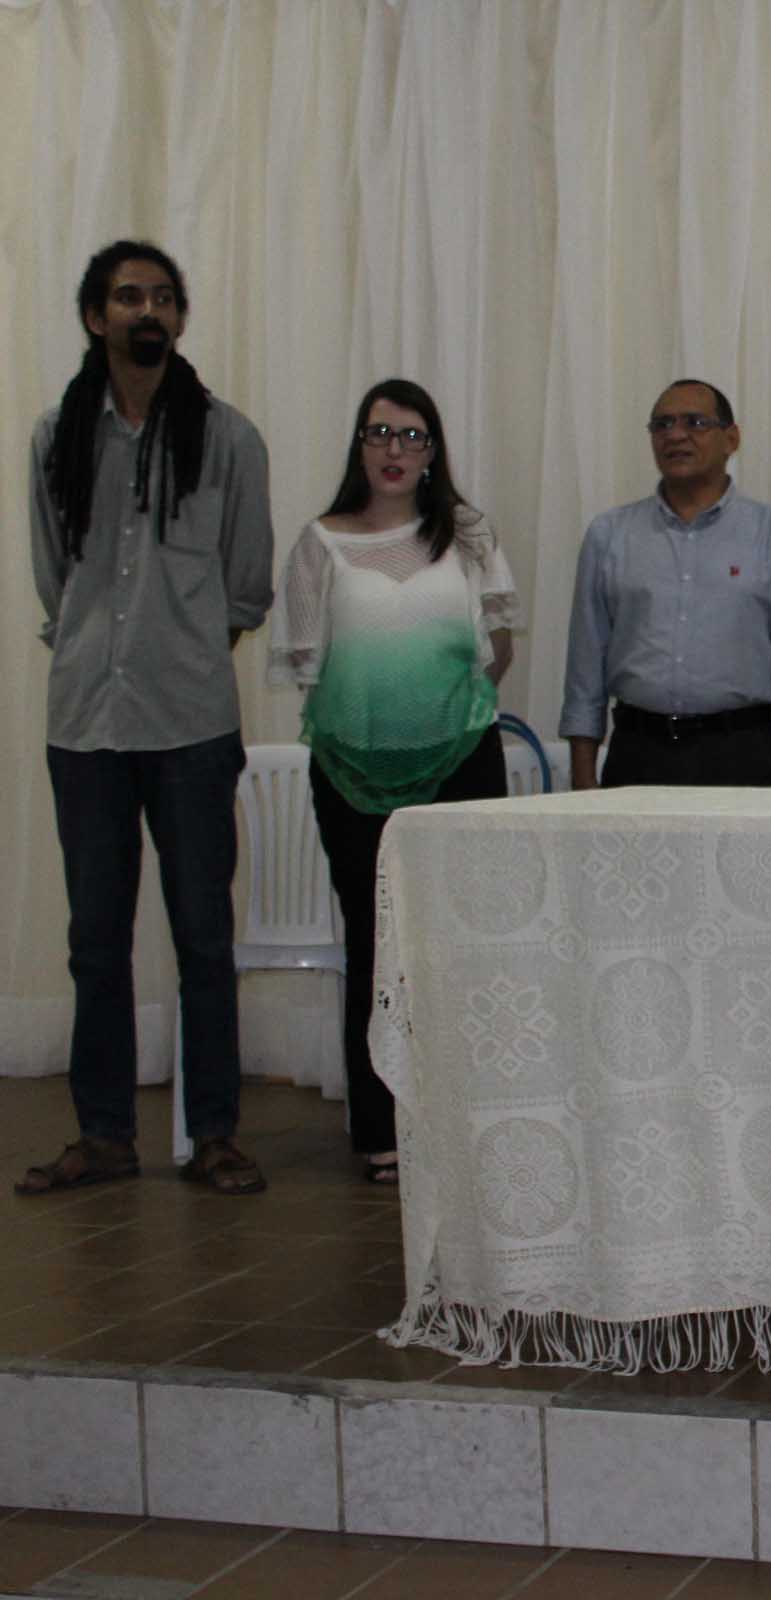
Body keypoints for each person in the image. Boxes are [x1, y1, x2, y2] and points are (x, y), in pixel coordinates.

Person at [18, 240, 274, 1197]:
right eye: (129, 297)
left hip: (191, 724)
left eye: (164, 296)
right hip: (85, 723)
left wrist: (188, 647)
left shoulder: (228, 438)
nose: (148, 311)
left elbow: (247, 584)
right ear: (97, 317)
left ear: (180, 317)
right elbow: (55, 577)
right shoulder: (56, 437)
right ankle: (106, 1134)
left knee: (204, 933)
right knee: (95, 939)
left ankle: (213, 1134)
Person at [267, 380, 517, 1184]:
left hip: (462, 762)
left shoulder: (468, 534)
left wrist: (448, 708)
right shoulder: (319, 543)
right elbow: (308, 661)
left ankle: (467, 1120)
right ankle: (380, 1132)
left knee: (463, 945)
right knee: (377, 948)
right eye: (379, 433)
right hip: (352, 772)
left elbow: (496, 647)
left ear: (433, 451)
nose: (394, 450)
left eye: (412, 436)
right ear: (359, 445)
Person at [560, 380, 771, 788]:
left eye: (695, 422)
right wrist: (583, 779)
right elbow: (585, 670)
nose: (676, 434)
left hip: (744, 752)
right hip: (638, 752)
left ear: (731, 438)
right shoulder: (609, 535)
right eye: (662, 424)